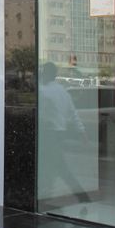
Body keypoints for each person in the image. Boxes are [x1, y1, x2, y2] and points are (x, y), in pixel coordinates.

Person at [38, 61, 90, 204]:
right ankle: (47, 194)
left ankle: (81, 196)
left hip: (48, 134)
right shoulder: (63, 91)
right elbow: (73, 114)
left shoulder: (43, 91)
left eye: (43, 72)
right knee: (52, 166)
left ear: (46, 74)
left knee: (57, 167)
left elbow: (41, 114)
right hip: (59, 133)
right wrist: (82, 132)